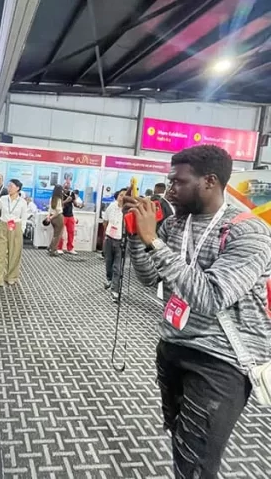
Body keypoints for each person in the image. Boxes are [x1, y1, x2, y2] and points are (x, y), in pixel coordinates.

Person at [126, 145, 271, 478]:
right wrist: (138, 234)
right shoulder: (178, 224)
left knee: (197, 460)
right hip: (174, 345)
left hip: (220, 362)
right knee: (181, 440)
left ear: (209, 181)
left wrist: (154, 242)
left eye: (179, 181)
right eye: (169, 180)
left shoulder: (248, 233)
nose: (171, 189)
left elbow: (210, 297)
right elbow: (149, 277)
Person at [0, 179, 29, 287]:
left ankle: (11, 277)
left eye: (11, 186)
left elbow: (24, 217)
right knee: (0, 253)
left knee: (14, 253)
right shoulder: (3, 199)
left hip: (16, 227)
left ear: (17, 188)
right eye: (9, 186)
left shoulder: (22, 202)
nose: (9, 188)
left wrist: (22, 229)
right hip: (3, 225)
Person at [102, 188, 127, 302]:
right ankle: (109, 278)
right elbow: (105, 221)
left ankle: (115, 290)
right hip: (109, 239)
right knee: (108, 262)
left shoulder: (129, 210)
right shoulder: (111, 206)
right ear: (117, 196)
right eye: (121, 195)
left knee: (117, 267)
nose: (122, 197)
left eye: (125, 196)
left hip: (121, 241)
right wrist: (106, 235)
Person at [60, 184, 84, 254]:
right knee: (60, 232)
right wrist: (66, 201)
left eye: (68, 188)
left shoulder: (71, 194)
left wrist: (80, 206)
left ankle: (70, 248)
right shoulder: (60, 194)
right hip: (62, 215)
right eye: (65, 188)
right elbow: (58, 204)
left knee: (71, 232)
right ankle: (59, 248)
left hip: (70, 215)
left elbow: (75, 204)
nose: (67, 189)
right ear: (63, 187)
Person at [45, 185, 66, 256]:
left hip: (52, 218)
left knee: (55, 234)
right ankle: (53, 250)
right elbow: (59, 211)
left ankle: (50, 247)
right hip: (58, 218)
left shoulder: (52, 198)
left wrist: (49, 217)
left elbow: (50, 210)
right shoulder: (59, 199)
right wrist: (51, 217)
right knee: (58, 235)